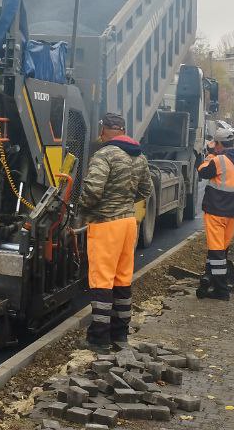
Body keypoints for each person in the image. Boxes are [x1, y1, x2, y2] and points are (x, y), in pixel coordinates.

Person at [79, 112, 152, 351]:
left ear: (104, 130)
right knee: (122, 278)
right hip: (128, 223)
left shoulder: (104, 155)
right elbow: (146, 190)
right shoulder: (139, 156)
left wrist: (81, 208)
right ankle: (120, 333)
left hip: (106, 224)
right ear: (123, 130)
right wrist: (124, 201)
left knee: (102, 279)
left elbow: (93, 190)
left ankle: (98, 338)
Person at [195, 127, 234, 301]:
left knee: (216, 252)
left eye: (216, 144)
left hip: (215, 211)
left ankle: (221, 291)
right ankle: (209, 279)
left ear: (219, 144)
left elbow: (202, 171)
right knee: (221, 249)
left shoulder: (218, 160)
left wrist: (209, 155)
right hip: (233, 212)